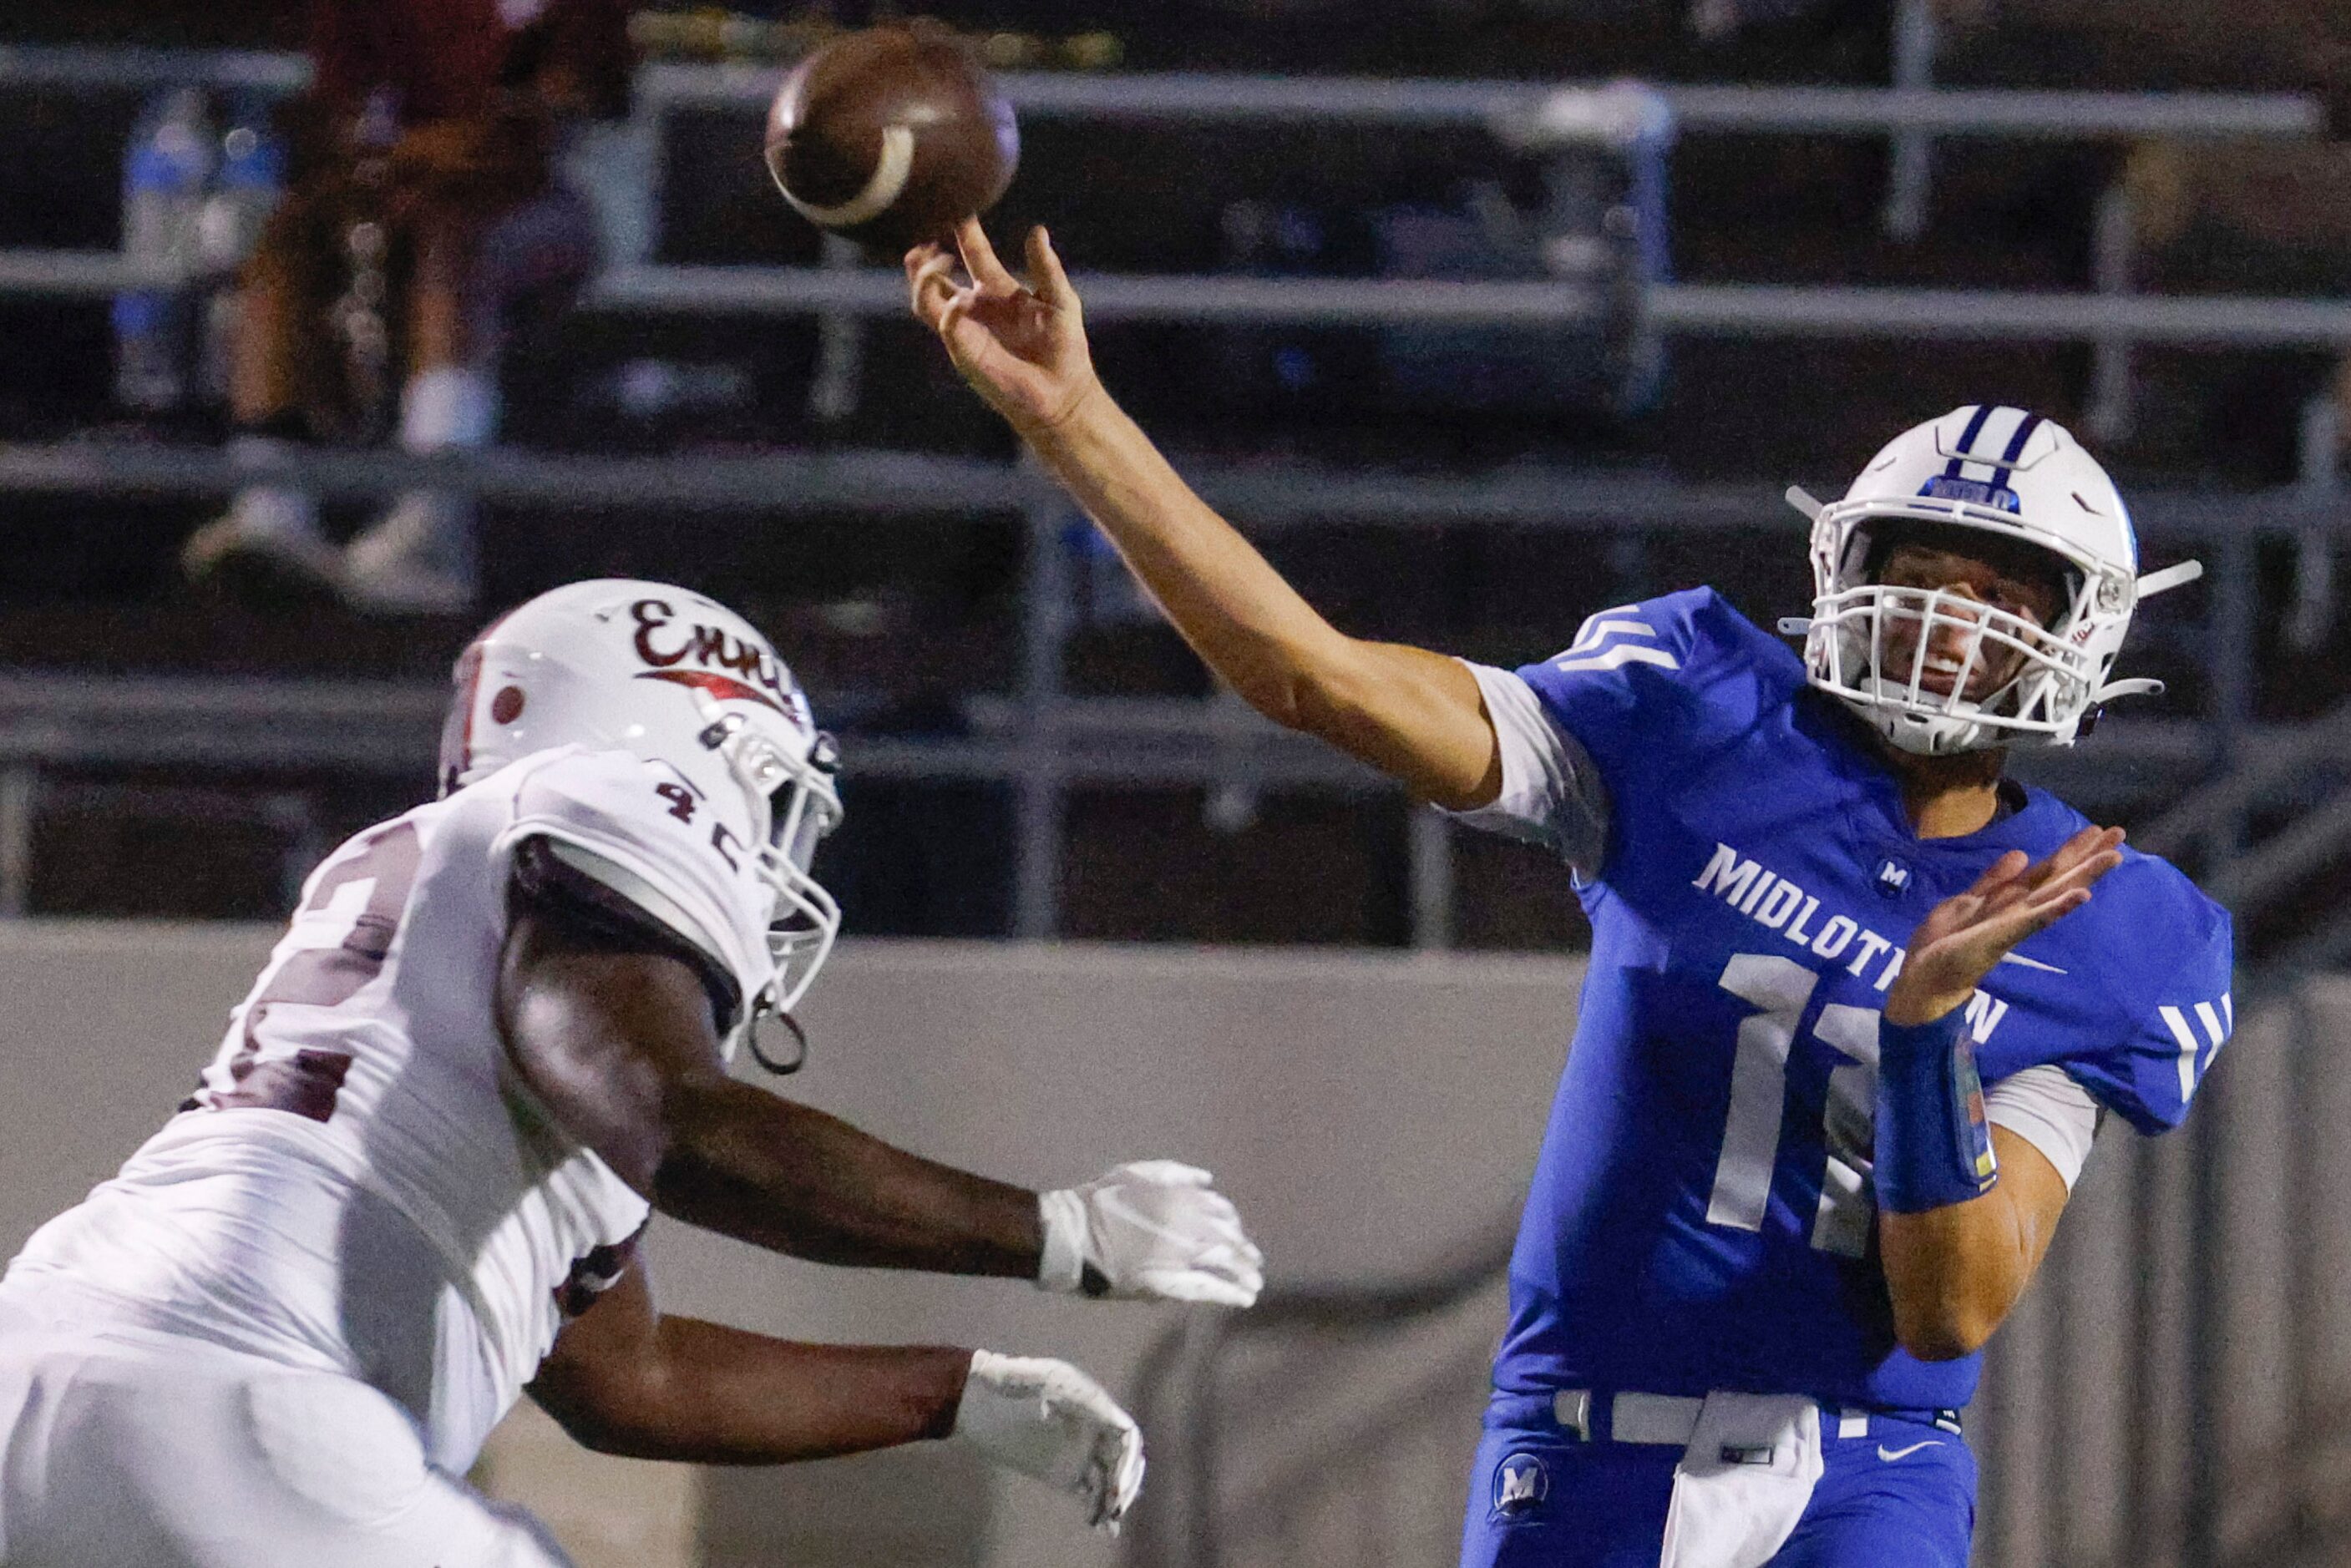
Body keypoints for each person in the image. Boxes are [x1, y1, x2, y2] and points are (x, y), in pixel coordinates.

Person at [907, 221, 2232, 1568]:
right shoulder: (1693, 709)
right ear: (1848, 568)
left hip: (1869, 1471)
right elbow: (1317, 676)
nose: (1953, 621)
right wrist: (1078, 421)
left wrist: (1925, 1029)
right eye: (1925, 571)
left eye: (2002, 591)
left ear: (2079, 636)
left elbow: (1950, 1310)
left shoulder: (2111, 927)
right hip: (1597, 1441)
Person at [0, 578, 1264, 1565]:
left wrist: (957, 1393)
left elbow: (628, 1377)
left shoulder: (447, 897)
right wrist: (1053, 1232)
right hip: (237, 1412)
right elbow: (680, 1127)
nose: (770, 853)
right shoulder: (623, 795)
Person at [182, 0, 634, 614]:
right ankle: (270, 503)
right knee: (290, 238)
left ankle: (433, 518)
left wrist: (460, 147)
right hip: (410, 182)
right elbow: (342, 105)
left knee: (454, 247)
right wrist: (381, 162)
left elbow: (568, 110)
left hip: (551, 195)